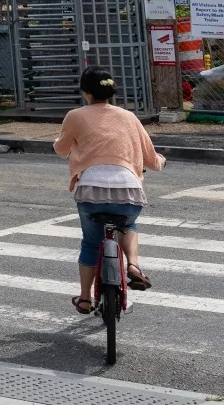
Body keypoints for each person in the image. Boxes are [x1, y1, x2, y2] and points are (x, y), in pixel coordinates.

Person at [55, 66, 165, 314]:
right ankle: (134, 265)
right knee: (128, 225)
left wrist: (63, 142)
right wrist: (162, 160)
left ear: (86, 93)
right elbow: (150, 158)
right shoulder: (129, 117)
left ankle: (84, 299)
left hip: (90, 191)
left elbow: (61, 150)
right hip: (128, 191)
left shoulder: (75, 116)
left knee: (91, 244)